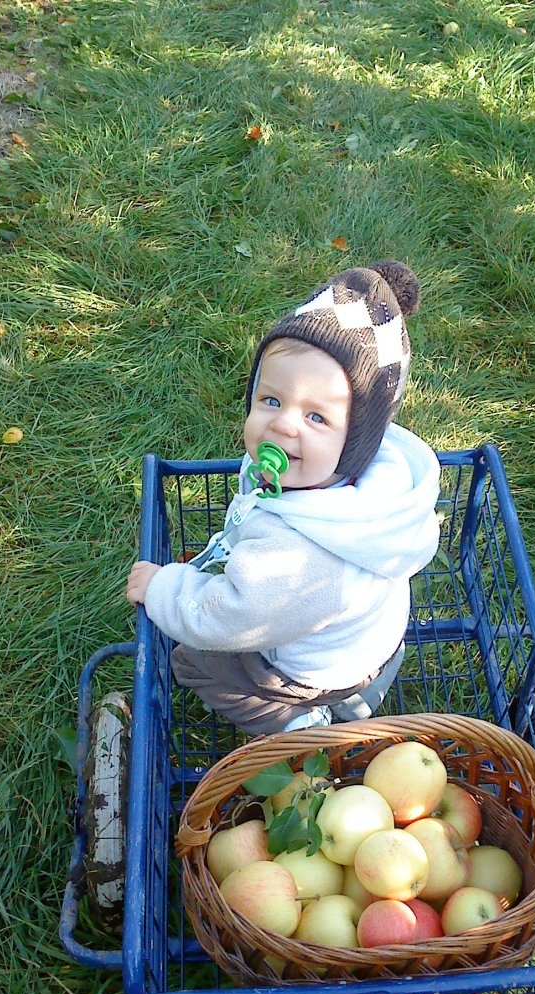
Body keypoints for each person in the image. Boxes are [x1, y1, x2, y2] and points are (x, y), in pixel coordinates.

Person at [125, 260, 441, 733]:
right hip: (366, 640)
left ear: (355, 440)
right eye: (271, 400)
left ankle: (303, 723)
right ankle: (362, 690)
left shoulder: (301, 554)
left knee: (192, 661)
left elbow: (232, 618)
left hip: (317, 669)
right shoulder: (358, 487)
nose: (284, 424)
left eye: (316, 417)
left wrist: (162, 589)